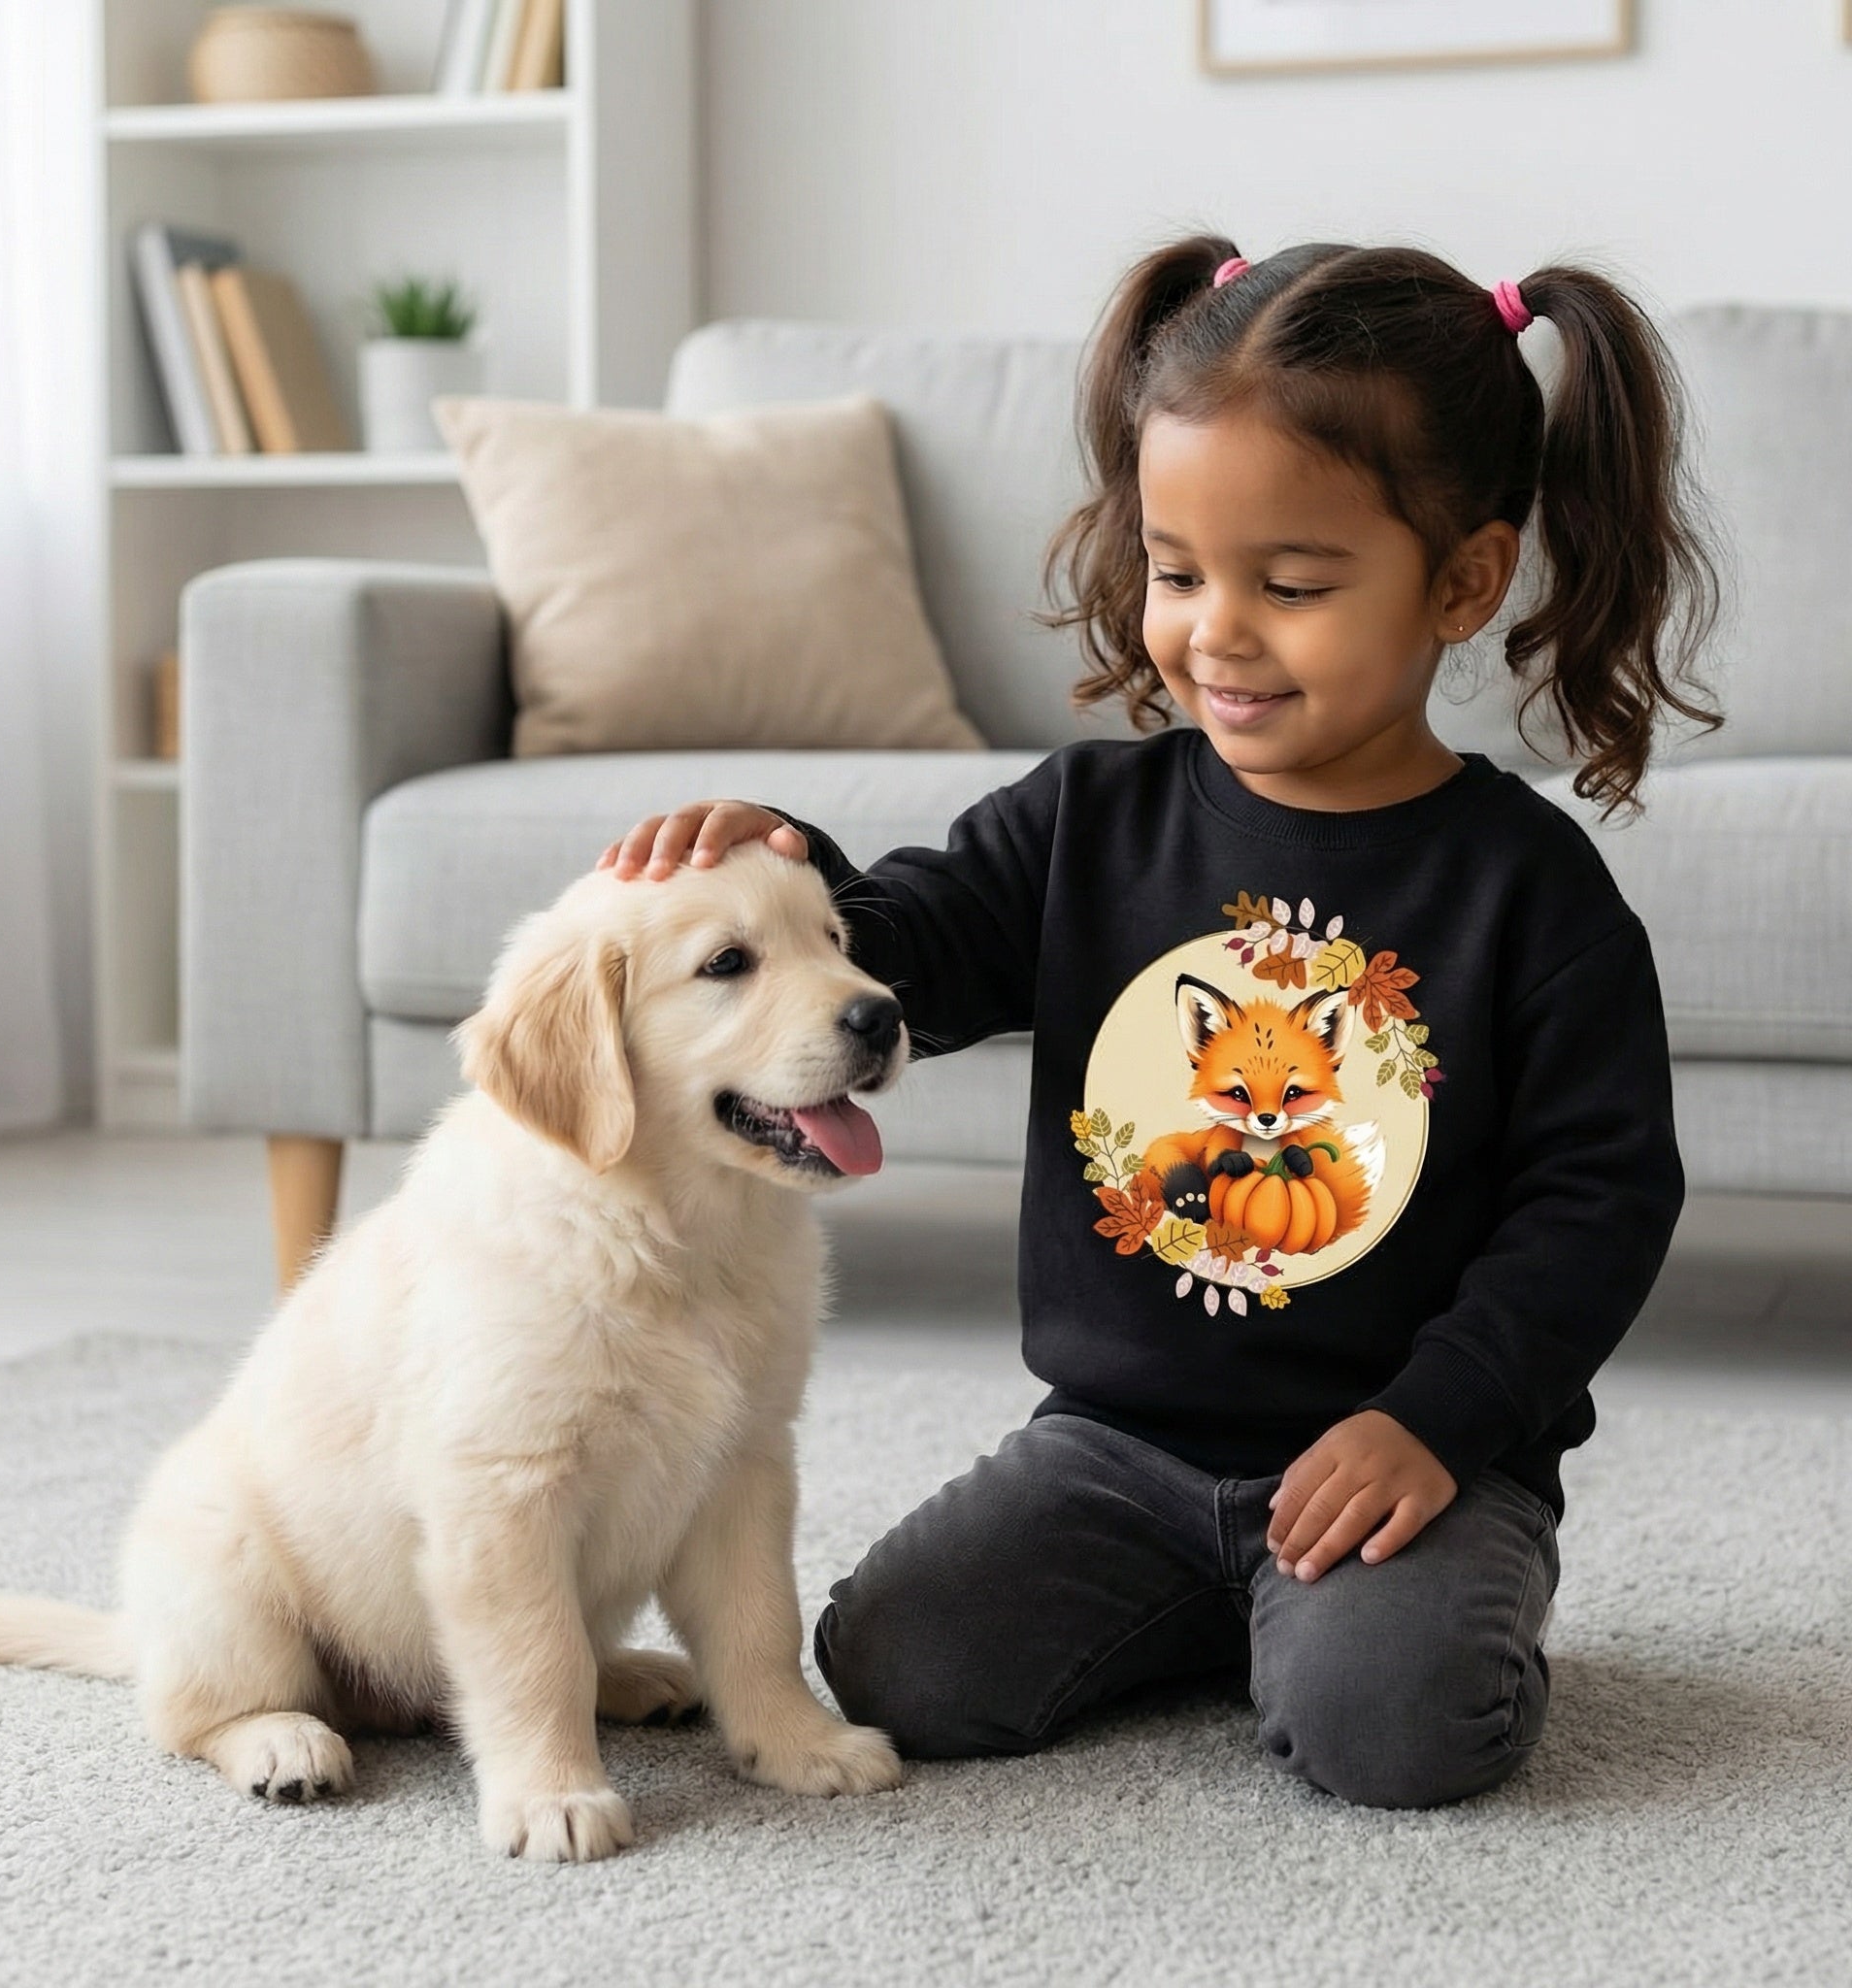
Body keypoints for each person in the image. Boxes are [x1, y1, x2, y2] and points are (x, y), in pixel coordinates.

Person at [596, 238, 1723, 1809]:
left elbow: (1600, 1203)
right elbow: (916, 941)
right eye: (1179, 572)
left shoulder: (1528, 889)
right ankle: (1225, 1607)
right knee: (897, 1665)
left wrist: (1438, 1423)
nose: (1216, 632)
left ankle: (1360, 1611)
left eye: (1296, 584)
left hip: (1396, 1457)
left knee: (1398, 1733)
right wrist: (785, 871)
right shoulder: (1091, 822)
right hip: (1114, 1449)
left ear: (1464, 578)